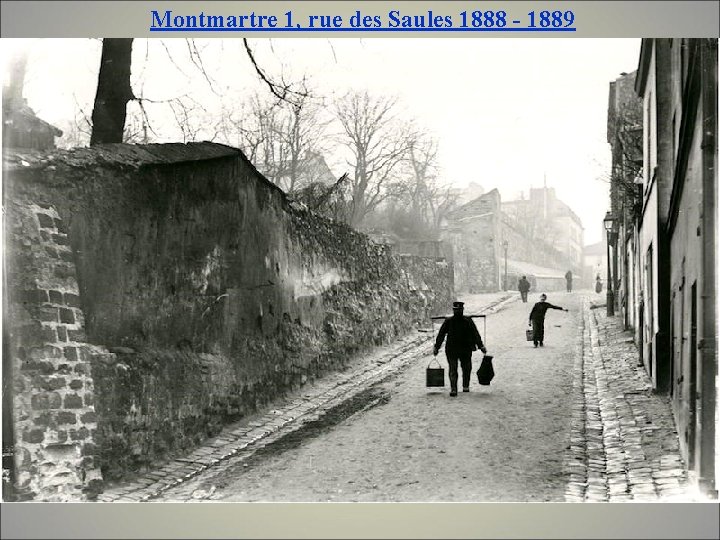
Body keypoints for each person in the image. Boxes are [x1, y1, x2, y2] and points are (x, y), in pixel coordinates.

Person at [433, 301, 487, 396]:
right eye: (456, 310)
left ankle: (465, 386)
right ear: (453, 310)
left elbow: (475, 334)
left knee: (466, 368)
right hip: (452, 349)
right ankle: (454, 389)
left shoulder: (468, 321)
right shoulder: (449, 321)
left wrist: (481, 346)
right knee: (453, 369)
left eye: (459, 310)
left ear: (462, 310)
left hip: (465, 349)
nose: (457, 311)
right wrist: (436, 347)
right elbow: (441, 335)